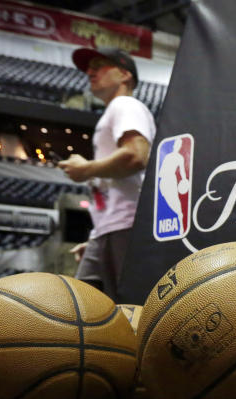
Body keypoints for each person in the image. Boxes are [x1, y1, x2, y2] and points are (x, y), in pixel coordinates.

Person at [59, 47, 156, 298]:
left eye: (100, 65)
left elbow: (136, 155)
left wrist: (85, 169)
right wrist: (97, 240)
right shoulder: (116, 110)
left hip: (126, 224)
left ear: (124, 74)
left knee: (126, 309)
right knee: (85, 308)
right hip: (109, 229)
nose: (90, 72)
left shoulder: (125, 104)